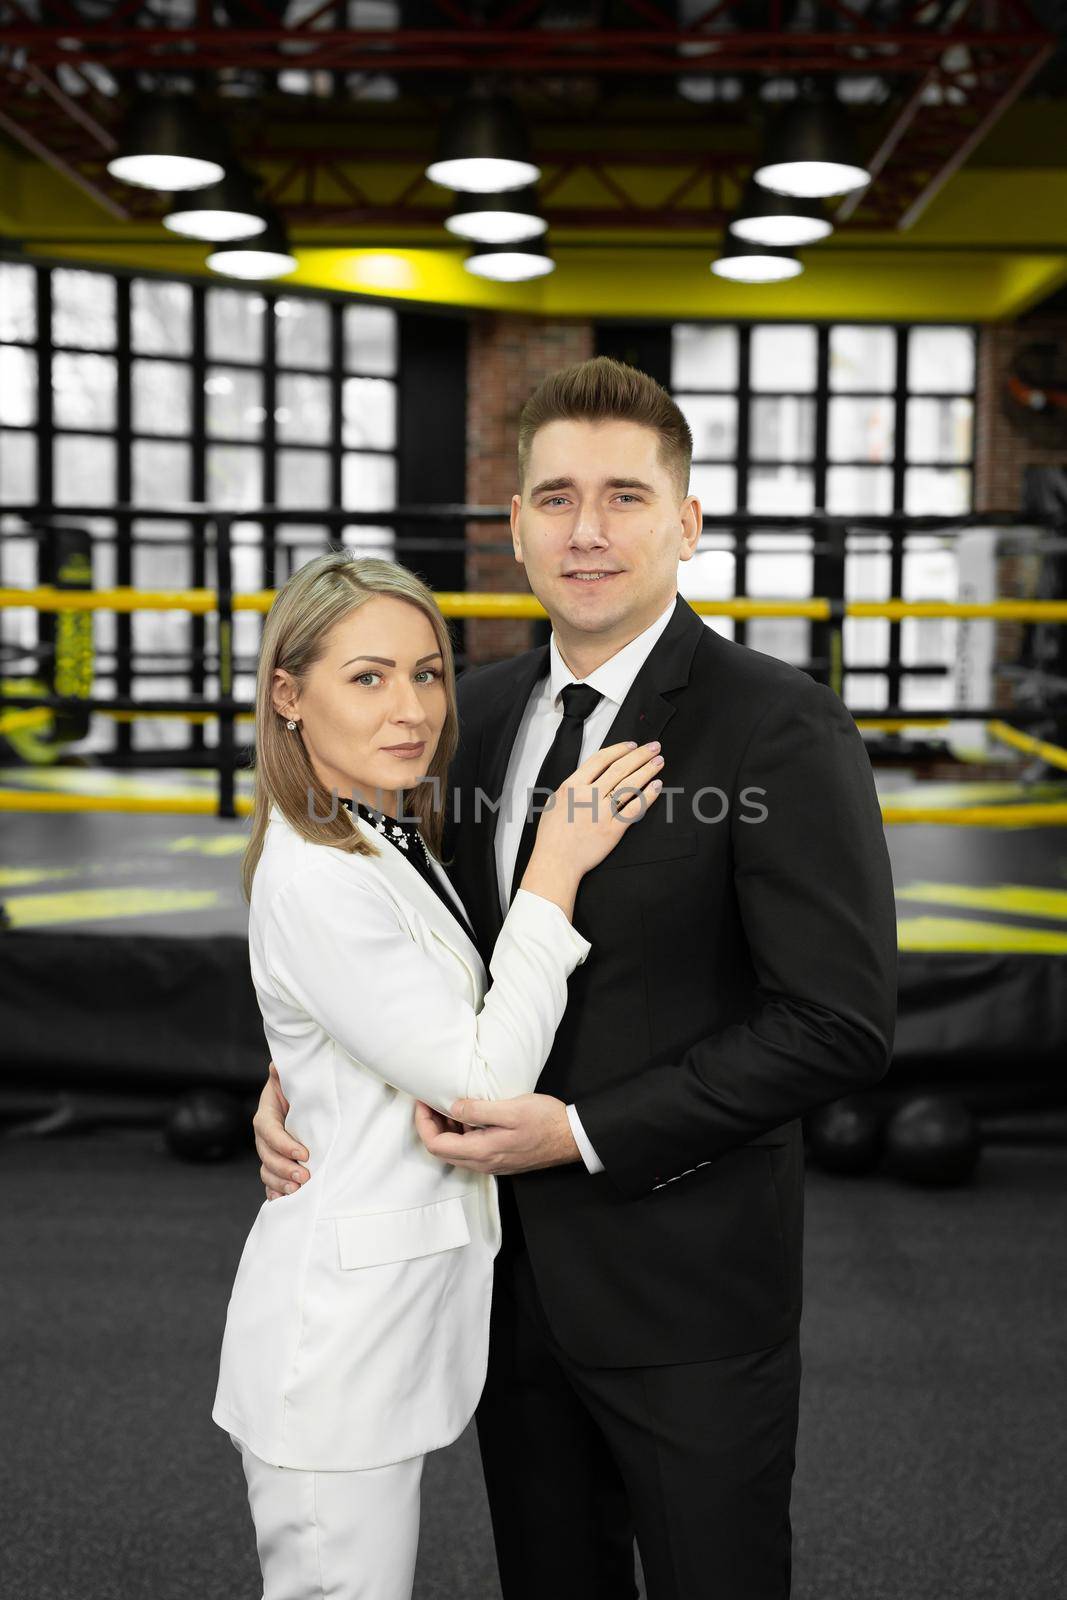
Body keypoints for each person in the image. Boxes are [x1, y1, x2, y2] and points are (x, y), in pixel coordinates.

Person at [255, 356, 899, 1599]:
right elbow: (396, 935)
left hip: (688, 1294)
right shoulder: (466, 714)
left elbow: (836, 1021)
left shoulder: (778, 727)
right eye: (553, 498)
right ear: (513, 527)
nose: (586, 531)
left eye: (621, 496)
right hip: (499, 1286)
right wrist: (294, 1069)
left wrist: (583, 1131)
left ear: (687, 521)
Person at [212, 549, 666, 1600]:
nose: (410, 707)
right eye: (366, 677)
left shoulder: (378, 826)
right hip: (334, 1354)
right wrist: (556, 866)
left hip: (385, 1335)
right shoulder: (320, 871)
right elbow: (479, 1079)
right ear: (288, 693)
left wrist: (300, 1070)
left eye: (425, 673)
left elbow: (378, 1009)